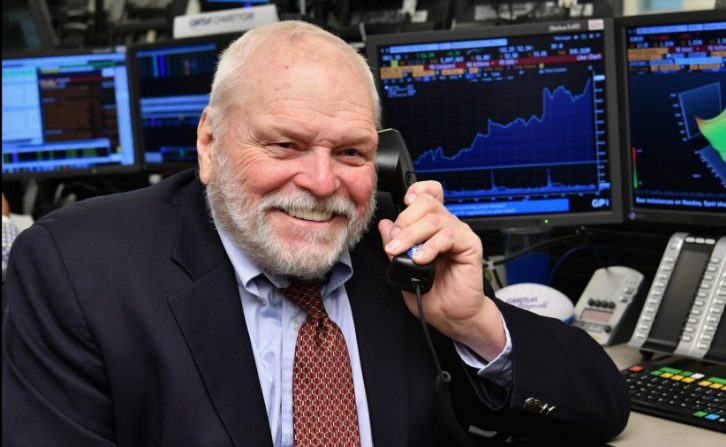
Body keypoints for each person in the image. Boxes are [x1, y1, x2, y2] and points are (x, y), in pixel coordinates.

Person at [2, 21, 629, 446]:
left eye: (352, 153)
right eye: (285, 144)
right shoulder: (80, 268)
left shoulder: (398, 259)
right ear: (210, 144)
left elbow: (603, 408)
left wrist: (472, 320)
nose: (323, 181)